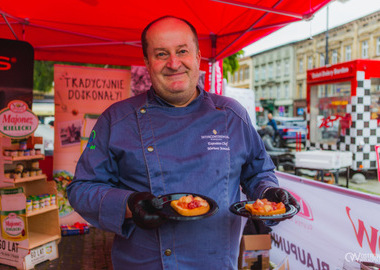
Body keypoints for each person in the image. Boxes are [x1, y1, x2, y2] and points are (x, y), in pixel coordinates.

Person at [67, 16, 299, 270]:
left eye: (182, 51)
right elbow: (82, 189)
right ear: (147, 62)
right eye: (161, 54)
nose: (174, 63)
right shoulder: (117, 119)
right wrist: (129, 205)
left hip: (216, 263)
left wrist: (267, 192)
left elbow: (258, 172)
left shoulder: (231, 115)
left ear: (198, 56)